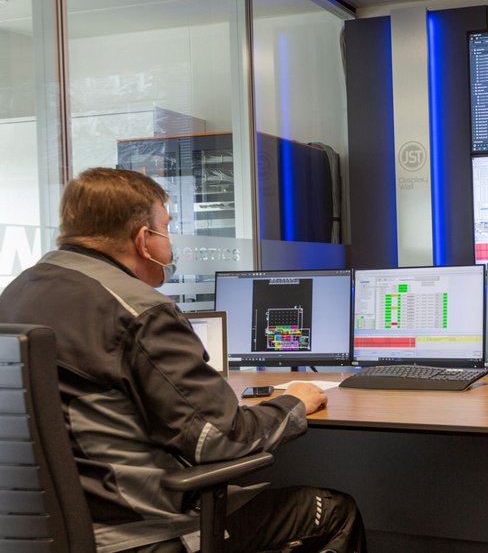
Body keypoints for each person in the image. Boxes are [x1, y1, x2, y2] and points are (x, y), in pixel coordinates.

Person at [0, 168, 366, 553]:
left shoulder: (16, 294)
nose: (169, 240)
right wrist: (295, 401)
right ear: (143, 239)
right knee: (334, 511)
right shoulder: (139, 310)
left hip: (53, 533)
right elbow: (220, 438)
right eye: (166, 226)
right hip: (142, 531)